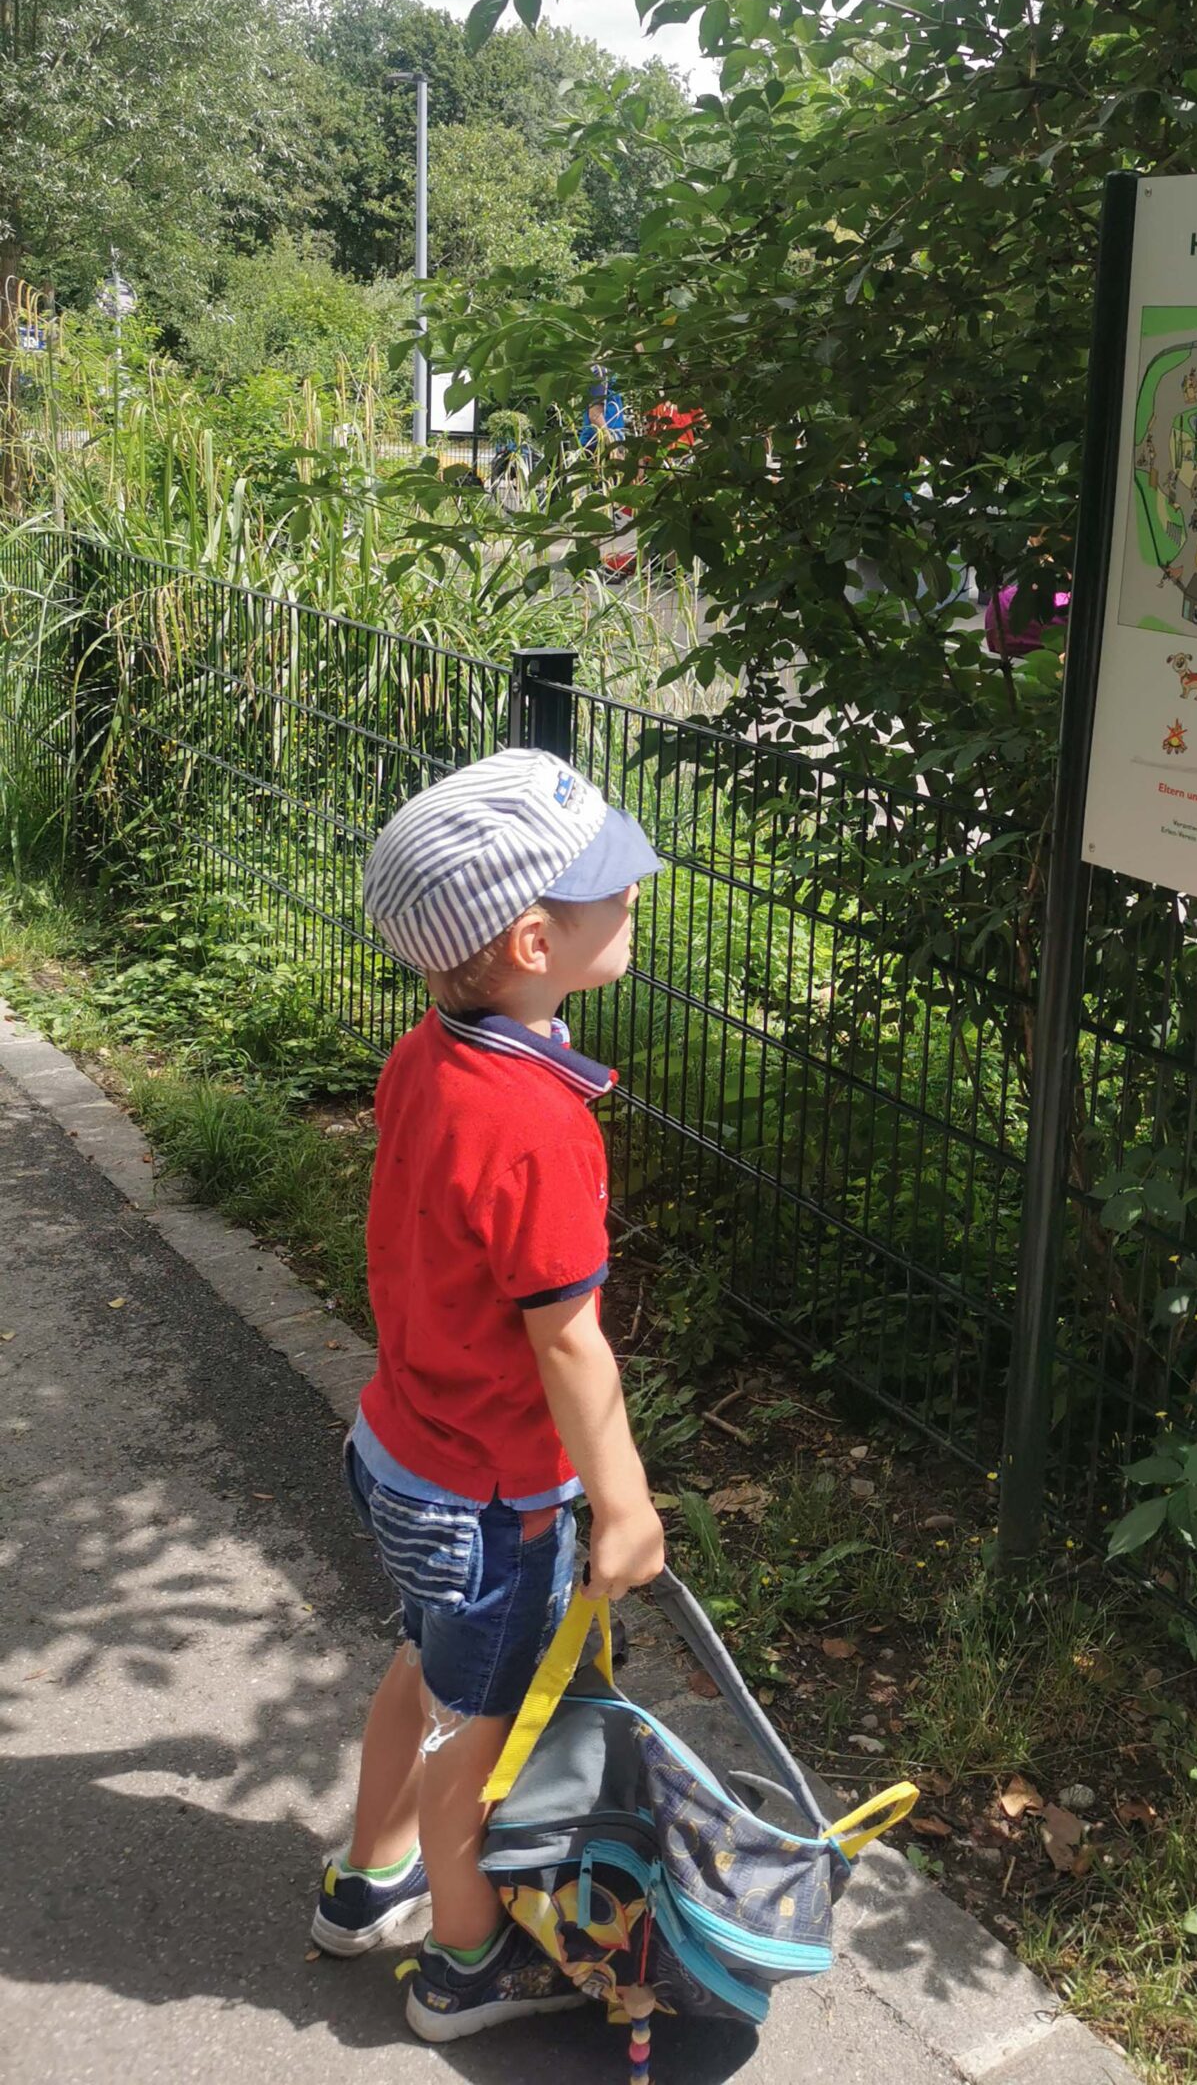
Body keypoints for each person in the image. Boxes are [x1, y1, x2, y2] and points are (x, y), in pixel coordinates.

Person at [311, 750, 668, 2042]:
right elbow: (568, 1341)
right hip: (494, 1497)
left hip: (405, 1452)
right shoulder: (537, 1123)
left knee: (428, 1658)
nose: (640, 895)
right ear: (532, 939)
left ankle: (370, 1880)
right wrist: (620, 1503)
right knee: (494, 1731)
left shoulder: (442, 1054)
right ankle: (465, 1968)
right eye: (614, 890)